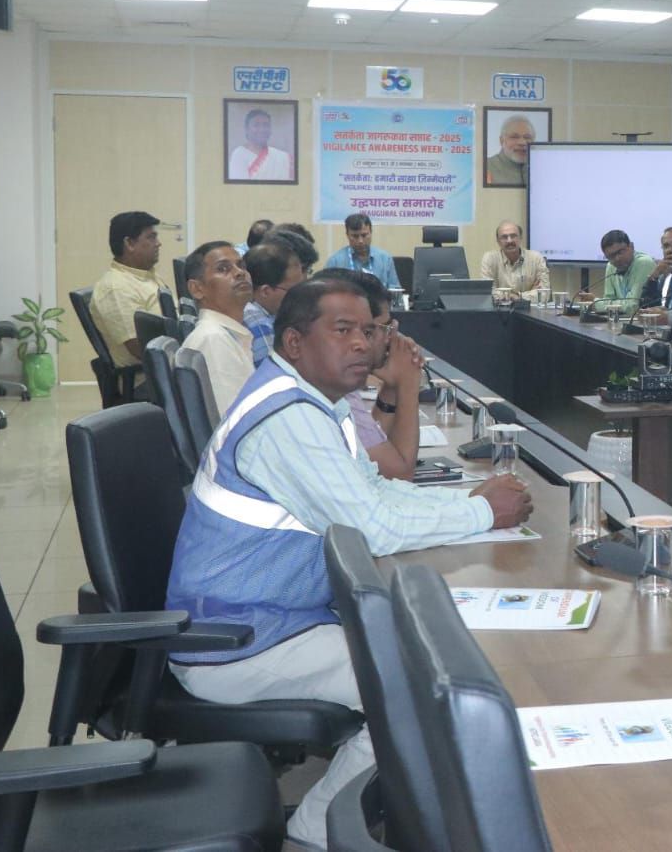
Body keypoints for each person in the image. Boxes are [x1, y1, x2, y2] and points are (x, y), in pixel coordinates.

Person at [163, 279, 534, 849]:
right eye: (343, 330)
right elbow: (372, 529)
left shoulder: (314, 402)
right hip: (238, 639)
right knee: (421, 686)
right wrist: (483, 513)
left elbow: (374, 493)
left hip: (277, 617)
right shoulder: (287, 419)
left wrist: (469, 502)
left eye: (368, 330)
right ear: (294, 342)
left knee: (425, 660)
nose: (363, 344)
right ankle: (317, 833)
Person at [313, 269, 422, 481]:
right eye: (386, 327)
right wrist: (408, 383)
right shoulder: (331, 388)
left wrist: (392, 388)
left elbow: (370, 448)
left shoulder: (326, 371)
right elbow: (399, 474)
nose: (391, 338)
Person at [180, 241, 256, 416]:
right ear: (197, 289)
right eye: (223, 269)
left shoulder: (225, 333)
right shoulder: (213, 340)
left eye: (241, 266)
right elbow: (234, 419)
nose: (240, 273)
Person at [90, 211, 164, 367]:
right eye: (151, 237)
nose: (158, 243)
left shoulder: (145, 275)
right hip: (150, 376)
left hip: (168, 365)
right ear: (129, 243)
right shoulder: (116, 288)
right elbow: (140, 348)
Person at [242, 242, 304, 364]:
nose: (300, 296)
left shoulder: (268, 314)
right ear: (265, 291)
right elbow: (274, 372)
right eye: (294, 291)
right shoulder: (259, 324)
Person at [578, 230, 654, 316]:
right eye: (611, 256)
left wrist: (596, 303)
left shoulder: (644, 263)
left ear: (631, 247)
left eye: (620, 252)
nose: (617, 259)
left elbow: (633, 306)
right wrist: (602, 304)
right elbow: (608, 300)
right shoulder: (611, 266)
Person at [323, 212, 401, 290]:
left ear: (371, 233)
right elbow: (325, 291)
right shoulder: (335, 262)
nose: (360, 241)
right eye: (355, 236)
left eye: (364, 235)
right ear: (347, 235)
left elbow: (395, 290)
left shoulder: (385, 259)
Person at [480, 220, 550, 301]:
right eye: (504, 237)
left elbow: (544, 294)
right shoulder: (490, 259)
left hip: (528, 309)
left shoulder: (536, 258)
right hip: (500, 309)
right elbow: (487, 293)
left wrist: (518, 296)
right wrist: (526, 295)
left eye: (513, 236)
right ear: (498, 241)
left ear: (520, 238)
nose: (509, 241)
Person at [227, 107, 292, 181]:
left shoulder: (282, 157)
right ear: (247, 129)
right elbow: (239, 186)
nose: (262, 129)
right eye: (256, 125)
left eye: (266, 125)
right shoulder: (239, 154)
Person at [484, 114, 535, 186]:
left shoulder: (541, 169)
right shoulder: (485, 167)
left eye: (527, 137)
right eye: (514, 137)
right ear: (501, 141)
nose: (522, 142)